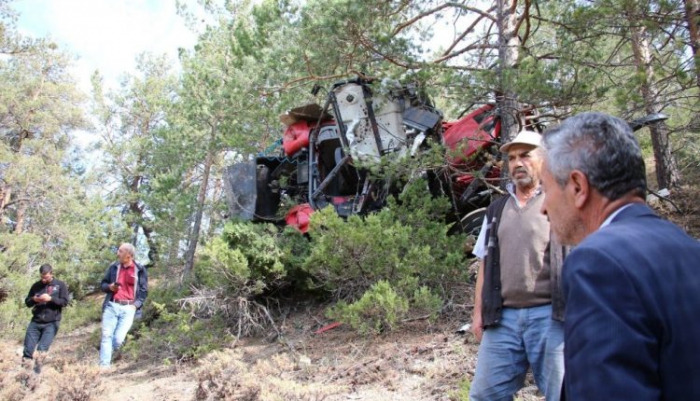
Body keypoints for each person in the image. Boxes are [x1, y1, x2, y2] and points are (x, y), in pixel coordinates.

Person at [540, 111, 700, 400]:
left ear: (577, 187)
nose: (543, 207)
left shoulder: (598, 264)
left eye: (546, 189)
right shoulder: (689, 248)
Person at [469, 130, 565, 401]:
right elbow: (485, 265)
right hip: (504, 319)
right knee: (485, 395)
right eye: (511, 158)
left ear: (544, 160)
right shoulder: (496, 210)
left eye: (525, 155)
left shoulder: (560, 202)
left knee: (563, 394)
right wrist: (478, 313)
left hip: (551, 316)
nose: (517, 163)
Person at [99, 242, 148, 367]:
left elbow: (143, 291)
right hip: (112, 306)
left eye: (120, 251)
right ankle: (103, 366)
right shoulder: (113, 267)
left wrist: (136, 305)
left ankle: (116, 358)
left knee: (118, 340)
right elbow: (103, 284)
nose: (118, 253)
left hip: (128, 308)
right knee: (106, 335)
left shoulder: (140, 269)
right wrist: (109, 287)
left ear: (129, 255)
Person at [22, 263, 69, 373]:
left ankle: (35, 376)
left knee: (41, 350)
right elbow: (27, 302)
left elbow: (65, 302)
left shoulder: (60, 285)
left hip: (52, 323)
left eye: (46, 277)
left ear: (51, 274)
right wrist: (34, 299)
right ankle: (24, 375)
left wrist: (51, 299)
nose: (43, 279)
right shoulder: (36, 286)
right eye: (42, 277)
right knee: (28, 350)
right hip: (36, 321)